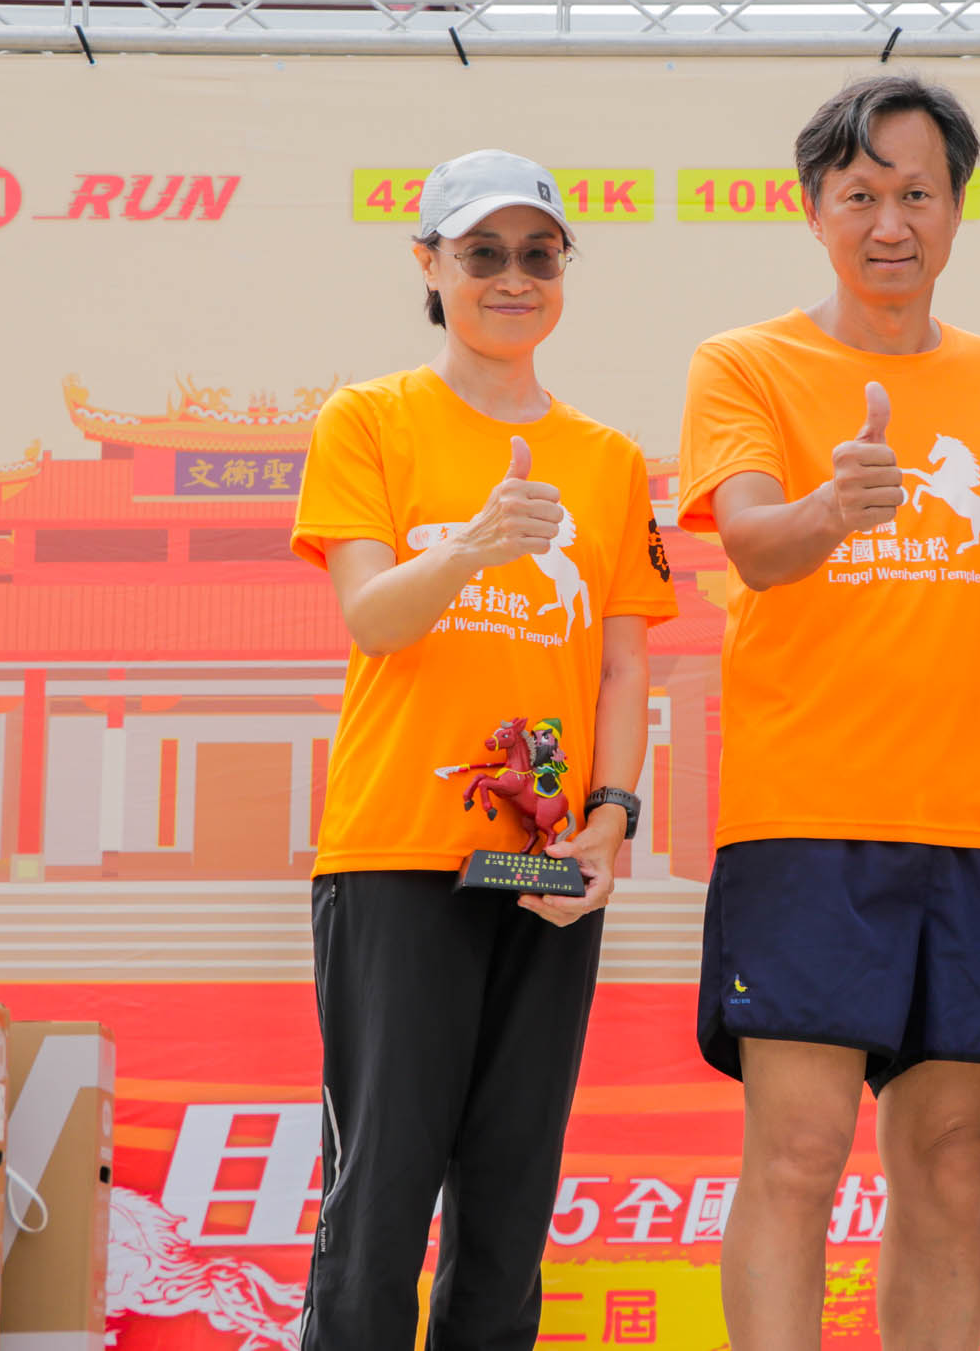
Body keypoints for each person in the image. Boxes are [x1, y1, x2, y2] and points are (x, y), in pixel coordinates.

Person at [677, 75, 980, 1350]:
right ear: (813, 210)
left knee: (948, 1164)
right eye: (859, 195)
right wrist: (835, 507)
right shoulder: (744, 364)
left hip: (979, 833)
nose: (889, 223)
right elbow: (750, 541)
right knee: (796, 1155)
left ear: (955, 209)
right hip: (809, 821)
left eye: (916, 194)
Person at [290, 148, 677, 1351]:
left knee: (511, 1196)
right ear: (429, 265)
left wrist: (609, 819)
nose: (514, 278)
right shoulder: (369, 420)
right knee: (382, 1194)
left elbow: (622, 667)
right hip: (397, 853)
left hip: (544, 869)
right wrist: (472, 546)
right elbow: (372, 618)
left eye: (538, 255)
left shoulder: (606, 460)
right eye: (482, 254)